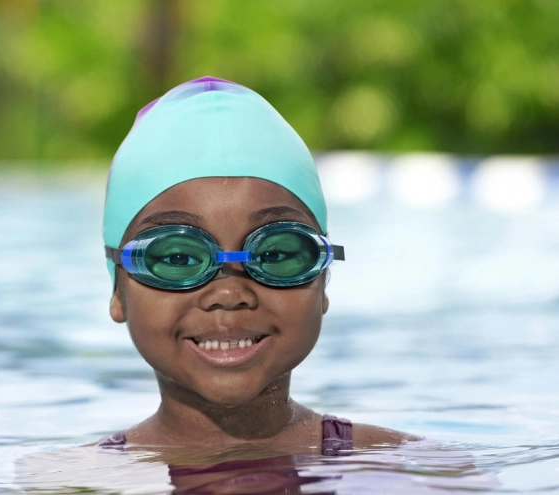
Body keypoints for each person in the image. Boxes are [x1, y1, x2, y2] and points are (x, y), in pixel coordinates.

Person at [99, 76, 417, 455]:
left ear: (323, 280)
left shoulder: (402, 468)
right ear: (118, 291)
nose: (230, 293)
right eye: (178, 258)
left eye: (274, 255)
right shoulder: (73, 482)